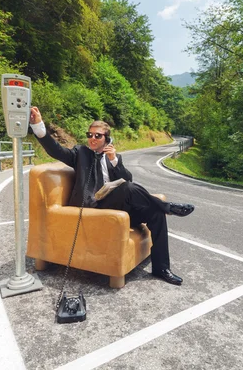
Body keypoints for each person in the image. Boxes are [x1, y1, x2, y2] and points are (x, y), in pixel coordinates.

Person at [29, 106, 194, 285]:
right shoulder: (80, 153)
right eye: (90, 134)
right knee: (130, 189)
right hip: (94, 208)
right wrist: (39, 126)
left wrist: (114, 161)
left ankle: (162, 268)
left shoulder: (114, 158)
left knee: (156, 214)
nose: (92, 138)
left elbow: (127, 179)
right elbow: (56, 150)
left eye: (97, 135)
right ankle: (168, 207)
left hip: (118, 209)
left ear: (107, 139)